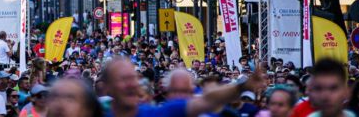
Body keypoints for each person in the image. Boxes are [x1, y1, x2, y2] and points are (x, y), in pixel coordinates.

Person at [99, 56, 265, 117]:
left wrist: (243, 86)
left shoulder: (158, 113)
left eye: (132, 78)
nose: (130, 84)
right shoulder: (93, 111)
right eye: (122, 79)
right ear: (106, 87)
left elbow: (206, 100)